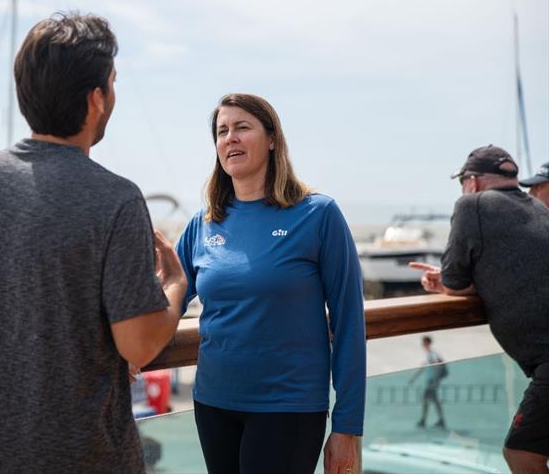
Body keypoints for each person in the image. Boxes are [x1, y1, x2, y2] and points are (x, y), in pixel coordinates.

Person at [0, 13, 188, 473]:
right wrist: (175, 284)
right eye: (113, 84)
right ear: (96, 98)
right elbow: (138, 345)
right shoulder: (115, 197)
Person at [175, 93, 366, 474]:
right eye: (222, 131)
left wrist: (347, 426)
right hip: (213, 403)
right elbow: (167, 295)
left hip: (287, 408)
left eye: (242, 127)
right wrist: (124, 346)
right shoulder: (205, 222)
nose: (230, 138)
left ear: (272, 138)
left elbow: (348, 323)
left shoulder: (318, 214)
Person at [409, 145, 549, 473]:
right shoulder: (539, 209)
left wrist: (444, 282)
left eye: (462, 182)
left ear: (471, 182)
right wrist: (450, 282)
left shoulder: (471, 204)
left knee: (521, 453)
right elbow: (514, 271)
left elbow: (456, 279)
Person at [407, 336, 447, 429]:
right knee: (434, 400)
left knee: (427, 400)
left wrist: (435, 380)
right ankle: (439, 420)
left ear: (428, 343)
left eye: (423, 342)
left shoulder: (432, 354)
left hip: (431, 382)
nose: (422, 344)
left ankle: (424, 421)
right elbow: (423, 367)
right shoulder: (430, 354)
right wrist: (413, 378)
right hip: (432, 381)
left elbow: (436, 367)